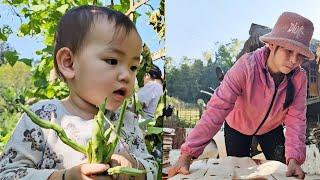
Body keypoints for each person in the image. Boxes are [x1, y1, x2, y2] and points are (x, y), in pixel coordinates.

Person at [0, 6, 158, 180]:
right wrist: (65, 177)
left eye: (133, 67)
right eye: (112, 61)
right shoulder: (44, 116)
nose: (127, 76)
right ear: (68, 63)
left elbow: (151, 166)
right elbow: (8, 174)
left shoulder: (128, 121)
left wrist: (134, 167)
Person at [169, 11, 315, 179]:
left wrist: (295, 159)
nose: (294, 60)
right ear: (273, 45)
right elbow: (216, 110)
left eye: (300, 56)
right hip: (237, 127)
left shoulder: (299, 78)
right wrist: (187, 155)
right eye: (289, 51)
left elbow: (296, 119)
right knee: (239, 172)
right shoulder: (246, 67)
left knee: (284, 171)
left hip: (271, 129)